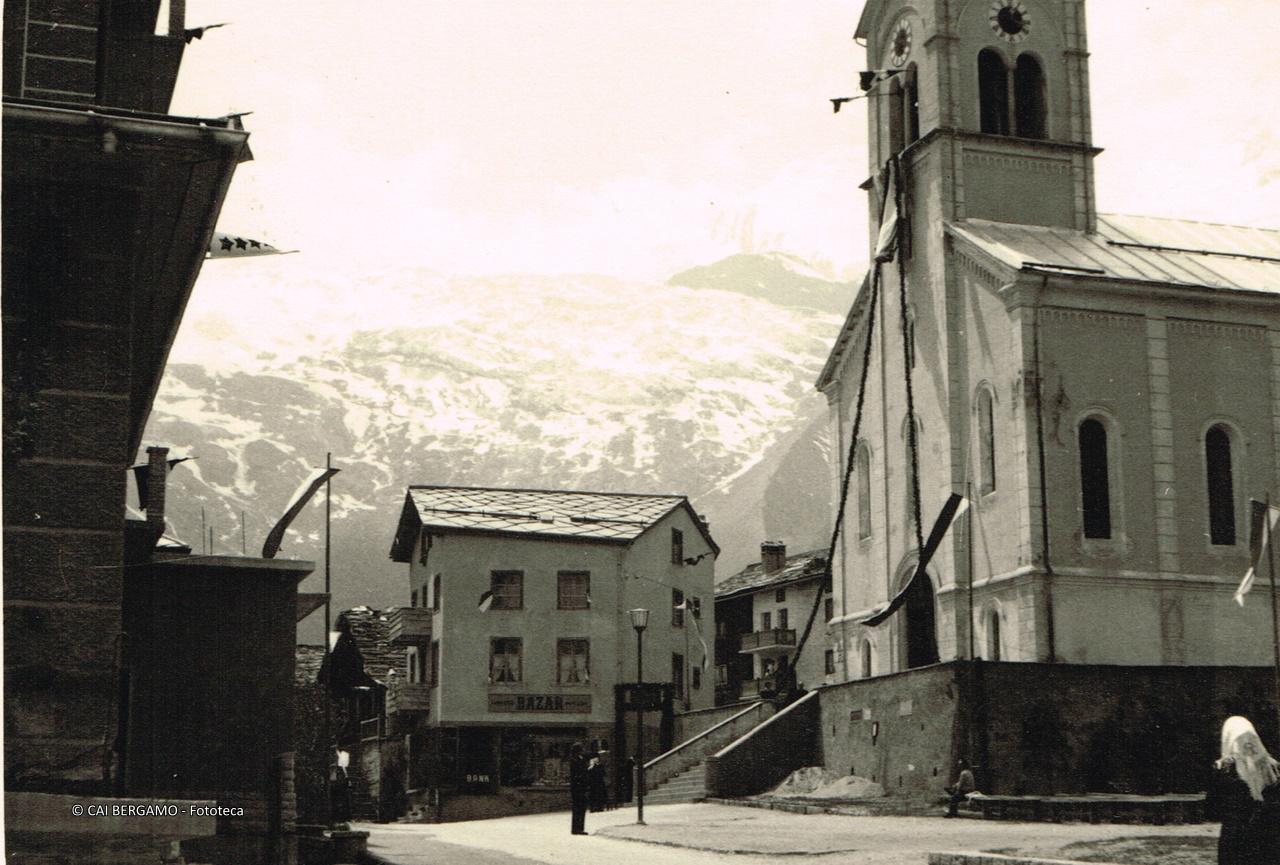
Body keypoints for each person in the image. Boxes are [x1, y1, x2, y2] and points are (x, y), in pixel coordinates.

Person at [1206, 716, 1280, 864]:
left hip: (1235, 839)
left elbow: (1211, 811)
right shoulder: (1274, 768)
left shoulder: (1224, 769)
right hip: (1269, 837)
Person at [568, 742, 589, 835]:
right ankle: (576, 828)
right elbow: (577, 774)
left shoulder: (581, 759)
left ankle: (580, 827)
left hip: (582, 786)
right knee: (577, 808)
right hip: (577, 787)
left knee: (582, 808)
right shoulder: (574, 760)